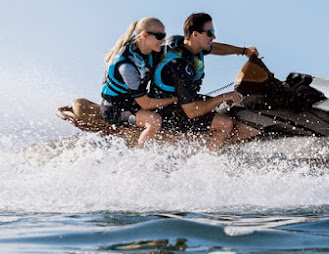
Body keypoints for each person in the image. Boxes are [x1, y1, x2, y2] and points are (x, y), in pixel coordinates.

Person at [151, 13, 260, 151]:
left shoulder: (183, 43)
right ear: (195, 34)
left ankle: (220, 144)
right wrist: (223, 96)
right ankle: (209, 160)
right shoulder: (178, 66)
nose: (213, 37)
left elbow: (215, 47)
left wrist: (243, 51)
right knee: (225, 123)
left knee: (232, 105)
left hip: (182, 102)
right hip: (167, 111)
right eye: (209, 33)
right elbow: (191, 111)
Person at [101, 17, 178, 147]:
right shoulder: (127, 66)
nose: (163, 40)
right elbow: (146, 103)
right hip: (116, 110)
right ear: (144, 35)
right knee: (154, 120)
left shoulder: (148, 50)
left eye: (164, 36)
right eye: (159, 36)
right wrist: (175, 99)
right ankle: (140, 155)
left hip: (132, 102)